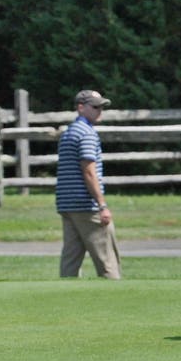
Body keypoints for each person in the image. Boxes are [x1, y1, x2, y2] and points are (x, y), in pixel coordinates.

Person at [56, 89, 121, 279]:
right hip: (86, 205)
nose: (99, 110)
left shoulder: (69, 132)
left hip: (67, 204)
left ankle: (67, 303)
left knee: (70, 263)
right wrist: (102, 205)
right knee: (107, 262)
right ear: (81, 108)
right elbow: (89, 172)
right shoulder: (87, 134)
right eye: (95, 107)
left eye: (101, 107)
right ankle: (115, 300)